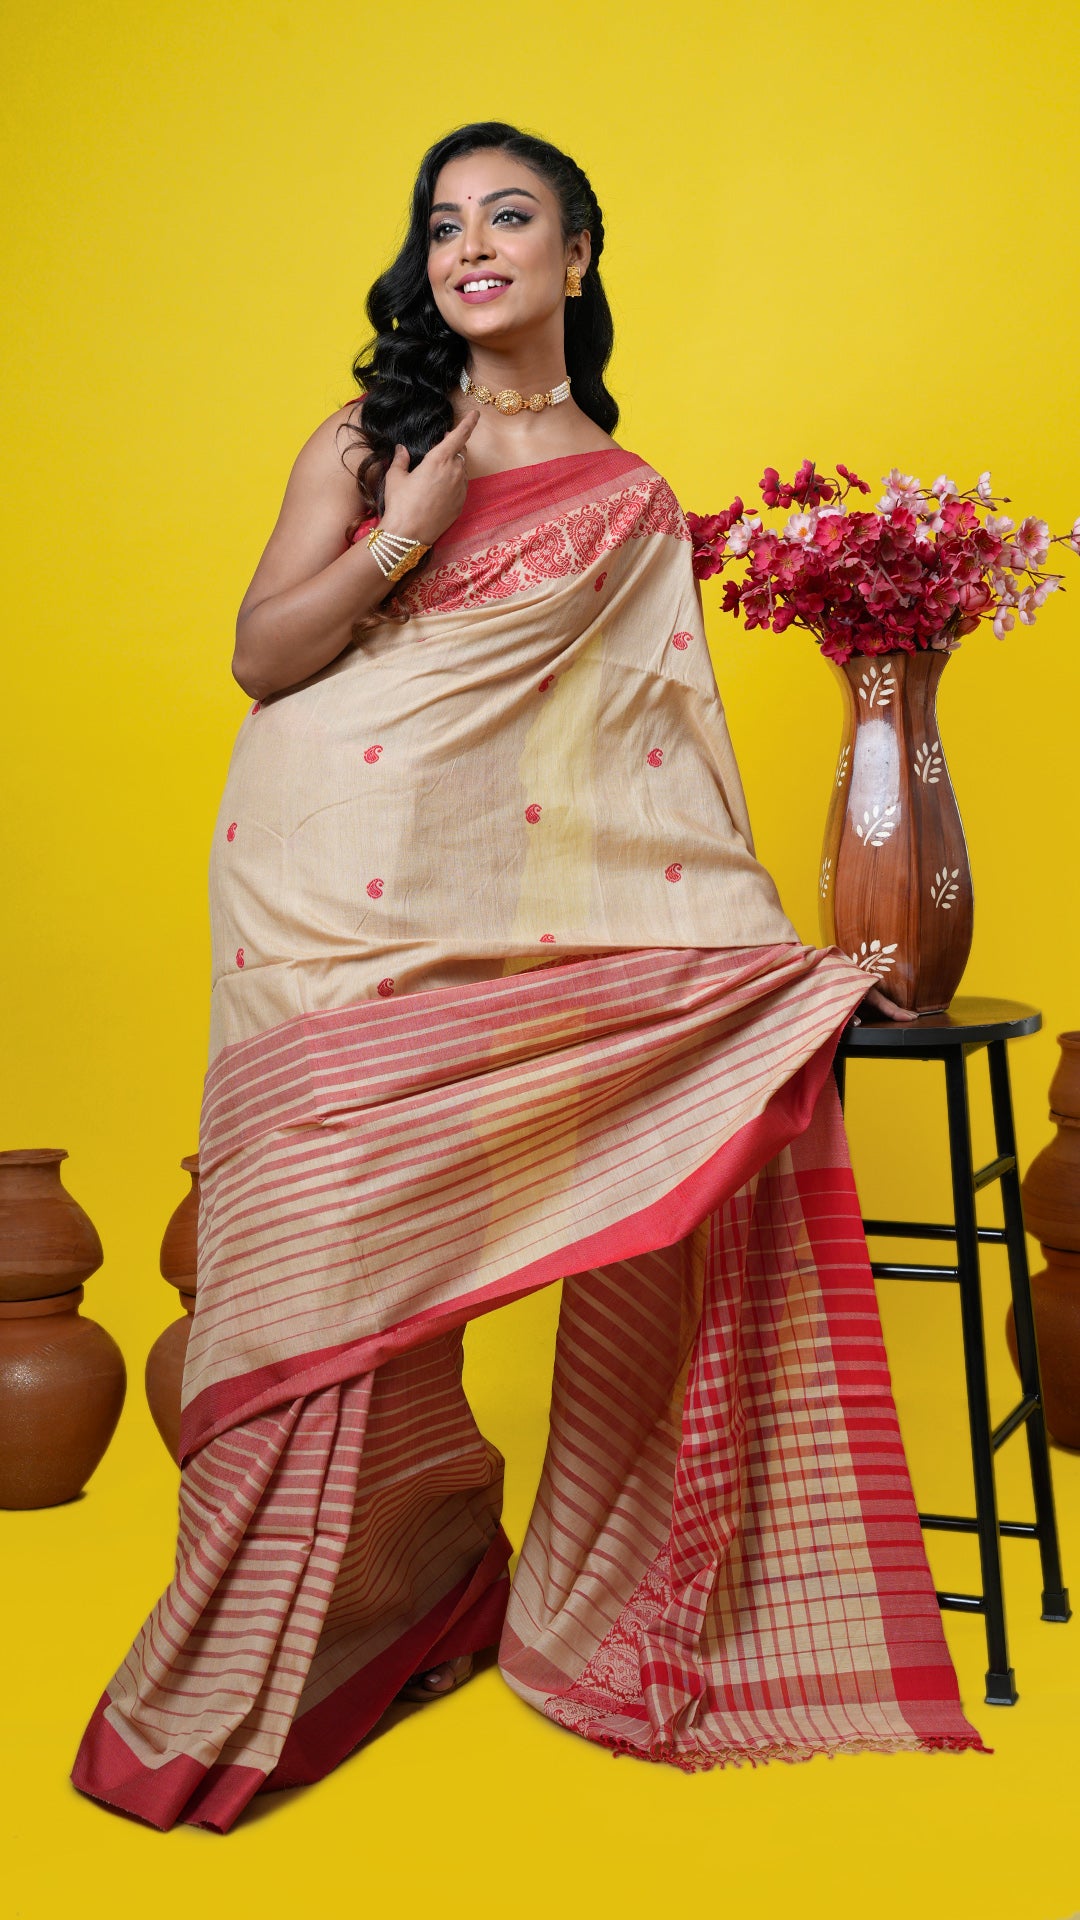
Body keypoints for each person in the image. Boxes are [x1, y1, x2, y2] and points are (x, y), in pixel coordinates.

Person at [71, 122, 985, 1832]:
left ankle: (420, 1587)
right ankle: (291, 1632)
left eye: (510, 218)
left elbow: (648, 766)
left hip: (477, 905)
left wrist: (770, 974)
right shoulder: (372, 438)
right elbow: (263, 655)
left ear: (578, 256)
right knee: (315, 1256)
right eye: (445, 226)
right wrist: (403, 533)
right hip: (306, 894)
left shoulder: (628, 502)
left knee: (395, 1254)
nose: (472, 248)